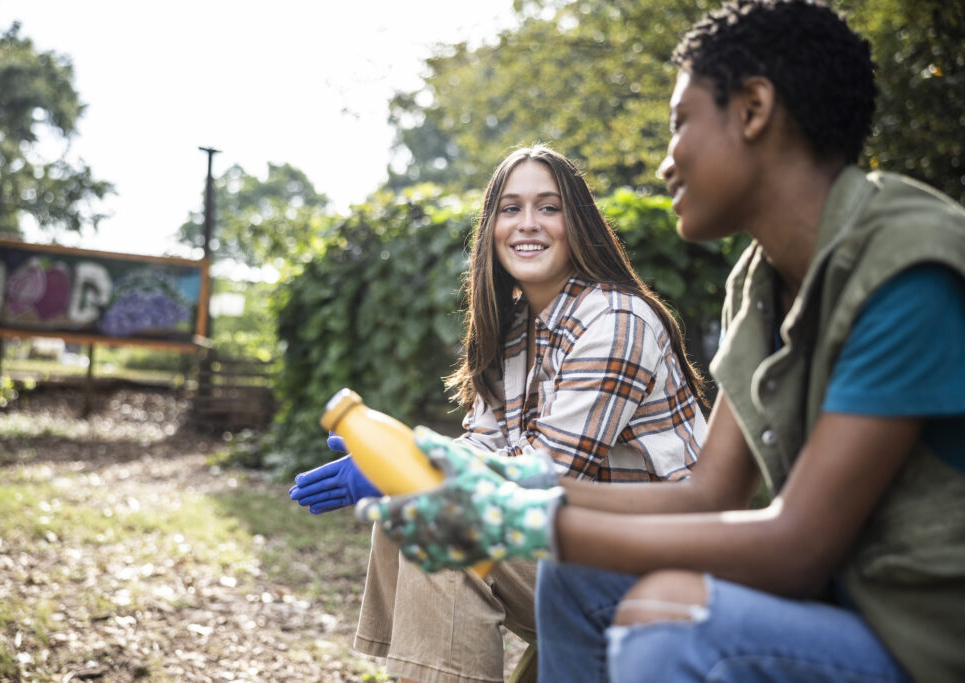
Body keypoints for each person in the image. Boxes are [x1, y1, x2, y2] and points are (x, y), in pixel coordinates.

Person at [356, 1, 965, 682]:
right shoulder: (762, 281)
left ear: (753, 109)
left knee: (668, 619)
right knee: (576, 575)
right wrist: (512, 482)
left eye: (679, 123)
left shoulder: (906, 265)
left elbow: (798, 542)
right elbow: (710, 493)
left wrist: (532, 519)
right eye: (509, 207)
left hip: (916, 634)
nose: (666, 162)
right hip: (822, 597)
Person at [290, 144, 709, 682]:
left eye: (548, 207)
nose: (527, 224)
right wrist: (397, 461)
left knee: (441, 521)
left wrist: (421, 468)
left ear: (578, 223)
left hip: (659, 569)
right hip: (584, 549)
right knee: (410, 506)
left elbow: (549, 478)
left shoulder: (615, 320)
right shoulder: (516, 329)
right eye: (510, 209)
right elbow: (487, 447)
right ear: (490, 227)